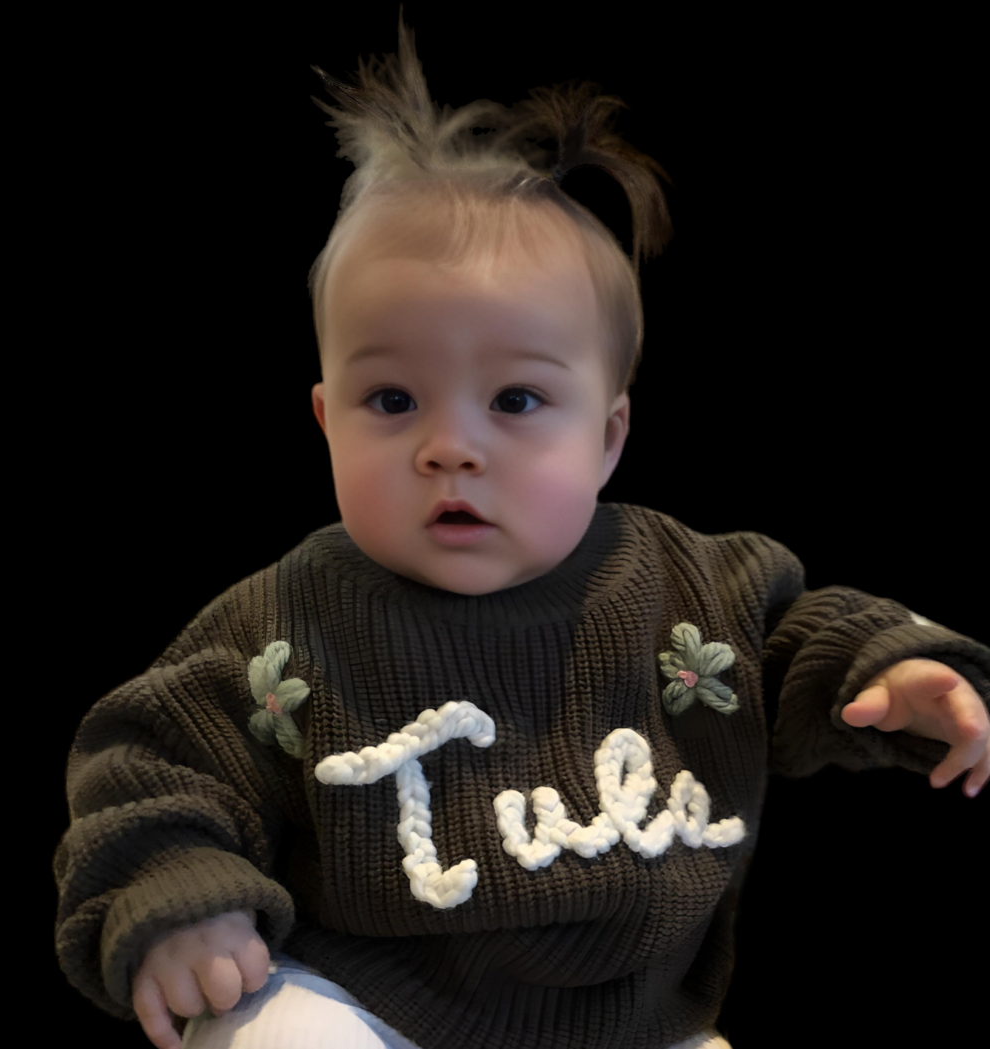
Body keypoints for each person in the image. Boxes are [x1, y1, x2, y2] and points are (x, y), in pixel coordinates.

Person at [52, 6, 990, 1049]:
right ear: (324, 420)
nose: (449, 447)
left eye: (515, 401)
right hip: (372, 996)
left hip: (636, 1022)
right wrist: (184, 893)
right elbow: (150, 758)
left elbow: (805, 637)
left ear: (608, 434)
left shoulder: (689, 593)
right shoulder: (286, 621)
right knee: (267, 1030)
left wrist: (893, 670)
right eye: (394, 400)